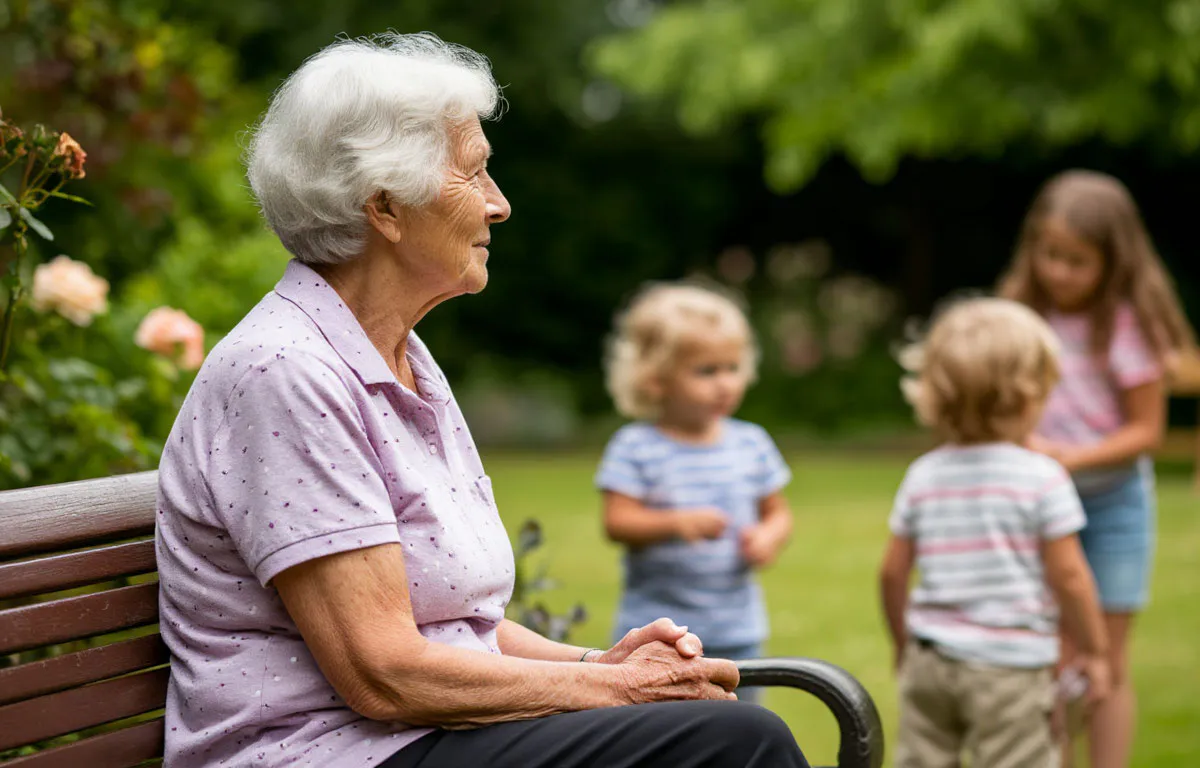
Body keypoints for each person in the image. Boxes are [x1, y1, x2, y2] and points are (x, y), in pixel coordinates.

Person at [154, 33, 809, 768]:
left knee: (731, 732)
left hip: (418, 739)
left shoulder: (400, 360)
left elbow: (462, 625)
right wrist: (623, 692)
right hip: (327, 752)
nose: (499, 206)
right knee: (738, 740)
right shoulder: (284, 372)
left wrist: (600, 667)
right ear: (385, 207)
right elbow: (385, 672)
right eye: (475, 176)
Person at [998, 170, 1195, 767]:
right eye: (1049, 254)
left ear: (1115, 261)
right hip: (1035, 505)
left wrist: (1072, 456)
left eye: (1077, 261)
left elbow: (1147, 431)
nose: (1058, 271)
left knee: (1104, 658)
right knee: (1050, 657)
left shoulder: (1131, 321)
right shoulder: (1018, 313)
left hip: (1114, 505)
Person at [879, 297, 1111, 768]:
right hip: (1010, 666)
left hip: (931, 660)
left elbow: (891, 574)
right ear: (1029, 397)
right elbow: (1069, 577)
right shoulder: (1042, 478)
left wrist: (905, 643)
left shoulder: (923, 475)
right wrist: (1095, 649)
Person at [595, 282, 795, 706]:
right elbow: (617, 522)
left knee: (740, 732)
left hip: (738, 630)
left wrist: (768, 538)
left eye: (732, 367)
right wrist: (674, 523)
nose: (725, 384)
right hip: (657, 636)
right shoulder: (636, 447)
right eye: (706, 371)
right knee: (661, 740)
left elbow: (779, 513)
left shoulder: (751, 443)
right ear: (655, 379)